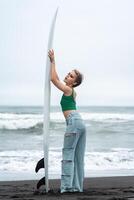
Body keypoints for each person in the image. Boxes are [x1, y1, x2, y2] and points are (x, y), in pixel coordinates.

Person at [48, 49, 86, 193]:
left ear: (74, 82)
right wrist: (53, 66)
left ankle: (66, 187)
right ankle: (76, 186)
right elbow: (56, 77)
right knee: (77, 157)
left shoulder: (68, 90)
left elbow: (53, 79)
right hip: (79, 123)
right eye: (68, 73)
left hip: (74, 122)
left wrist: (53, 61)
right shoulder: (71, 91)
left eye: (70, 76)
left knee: (68, 154)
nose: (67, 76)